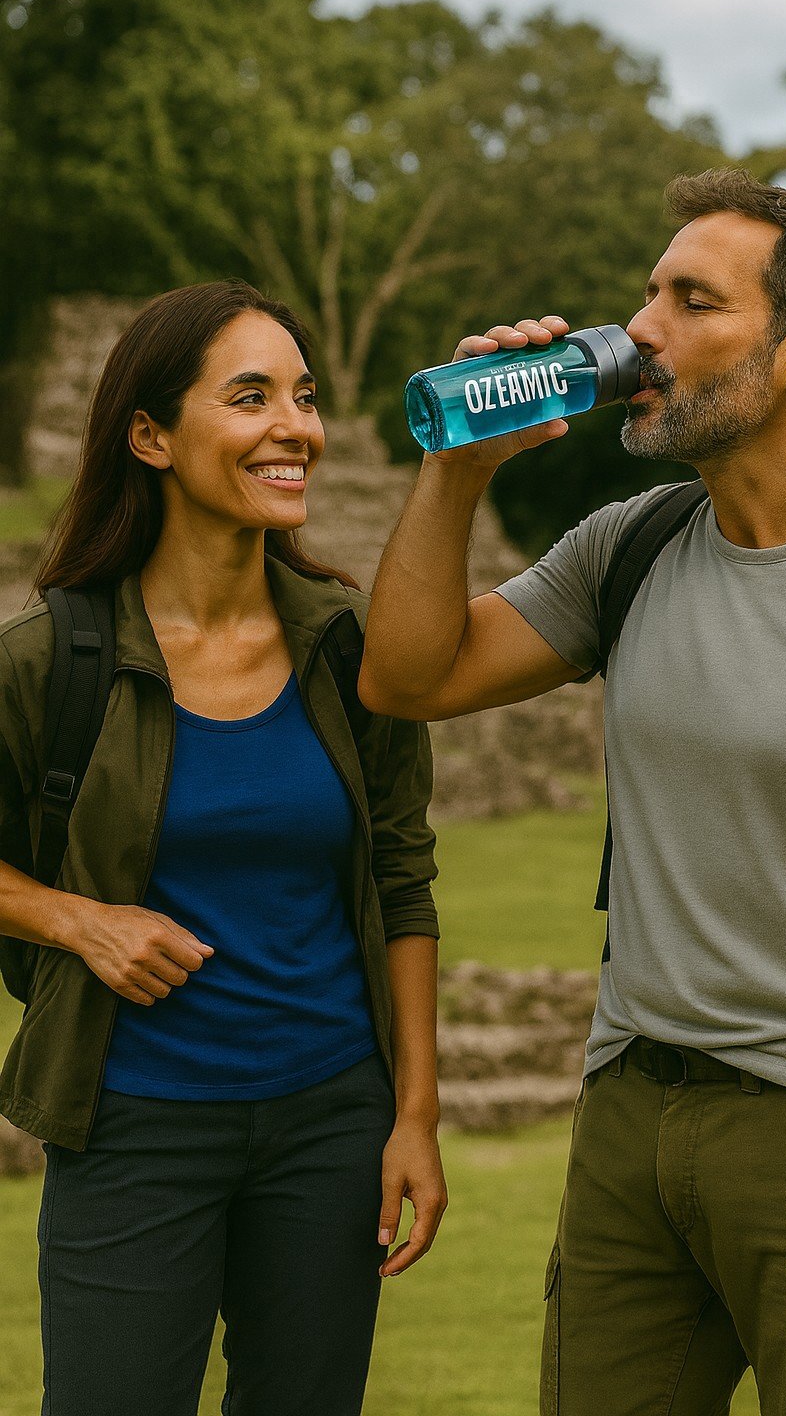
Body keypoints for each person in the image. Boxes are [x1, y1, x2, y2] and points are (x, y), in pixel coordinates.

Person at [359, 170, 786, 1415]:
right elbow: (406, 676)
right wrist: (457, 468)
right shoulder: (637, 541)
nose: (640, 329)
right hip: (627, 1117)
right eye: (647, 292)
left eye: (690, 299)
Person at [0, 281, 447, 1416]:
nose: (294, 427)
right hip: (133, 1125)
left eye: (302, 396)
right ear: (149, 434)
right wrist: (78, 919)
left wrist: (414, 1116)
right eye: (249, 397)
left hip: (331, 1125)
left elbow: (402, 879)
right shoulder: (51, 660)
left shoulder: (354, 648)